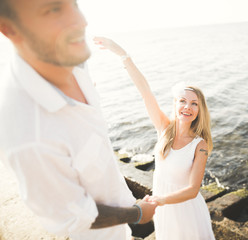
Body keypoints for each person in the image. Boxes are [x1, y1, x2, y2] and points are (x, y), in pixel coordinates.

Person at [0, 1, 157, 239]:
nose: (82, 21)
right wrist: (137, 213)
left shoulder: (73, 65)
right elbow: (75, 218)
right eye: (53, 10)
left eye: (73, 4)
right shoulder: (27, 135)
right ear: (9, 29)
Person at [94, 37, 216, 240]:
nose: (187, 107)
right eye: (183, 101)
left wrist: (160, 200)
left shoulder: (199, 145)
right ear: (175, 104)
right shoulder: (164, 128)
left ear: (199, 110)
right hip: (163, 207)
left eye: (194, 104)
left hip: (185, 210)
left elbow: (193, 190)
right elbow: (144, 91)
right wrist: (122, 54)